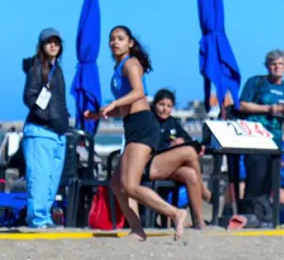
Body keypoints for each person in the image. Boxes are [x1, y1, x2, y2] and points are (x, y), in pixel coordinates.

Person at [84, 26, 189, 240]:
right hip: (131, 124)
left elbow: (139, 92)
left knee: (130, 186)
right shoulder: (118, 67)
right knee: (116, 184)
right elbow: (125, 108)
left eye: (120, 39)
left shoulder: (131, 63)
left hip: (143, 125)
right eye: (112, 39)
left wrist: (113, 102)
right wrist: (98, 114)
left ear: (130, 43)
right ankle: (137, 229)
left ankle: (176, 213)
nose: (115, 42)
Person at [21, 28, 69, 229]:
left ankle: (45, 218)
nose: (53, 46)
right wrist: (46, 117)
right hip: (40, 131)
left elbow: (60, 101)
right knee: (39, 179)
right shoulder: (36, 68)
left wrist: (65, 122)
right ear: (41, 45)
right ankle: (37, 219)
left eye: (56, 43)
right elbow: (29, 97)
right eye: (49, 42)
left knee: (51, 181)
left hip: (58, 133)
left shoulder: (57, 70)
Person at [238, 49, 284, 209]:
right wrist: (269, 109)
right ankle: (247, 211)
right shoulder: (256, 83)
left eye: (280, 64)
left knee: (271, 180)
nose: (277, 67)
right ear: (267, 66)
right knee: (256, 176)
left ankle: (262, 212)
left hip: (275, 139)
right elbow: (242, 105)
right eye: (273, 64)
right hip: (255, 137)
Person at [149, 89, 209, 229]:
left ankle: (198, 221)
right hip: (153, 164)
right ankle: (203, 190)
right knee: (188, 152)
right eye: (161, 105)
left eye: (169, 106)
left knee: (191, 174)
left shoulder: (173, 122)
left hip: (170, 167)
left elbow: (188, 139)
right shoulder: (149, 121)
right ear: (154, 105)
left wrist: (198, 148)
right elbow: (148, 146)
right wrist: (170, 145)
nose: (165, 109)